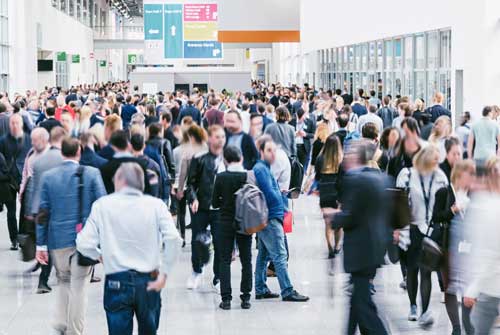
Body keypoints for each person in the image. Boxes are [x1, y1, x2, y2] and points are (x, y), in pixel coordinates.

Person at [76, 163, 182, 335]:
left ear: (120, 181)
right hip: (150, 278)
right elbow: (173, 239)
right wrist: (165, 272)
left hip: (116, 279)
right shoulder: (156, 206)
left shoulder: (102, 205)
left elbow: (83, 243)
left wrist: (99, 256)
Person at [35, 137, 106, 335]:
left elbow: (43, 213)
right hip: (84, 239)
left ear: (61, 153)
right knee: (80, 286)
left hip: (58, 240)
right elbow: (103, 206)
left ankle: (61, 320)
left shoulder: (49, 177)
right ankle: (75, 330)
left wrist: (41, 245)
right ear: (79, 152)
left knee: (64, 280)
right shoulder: (92, 174)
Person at [323, 140, 389, 335]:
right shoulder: (379, 178)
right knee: (358, 301)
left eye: (350, 153)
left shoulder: (355, 180)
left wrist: (333, 216)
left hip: (362, 251)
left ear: (356, 157)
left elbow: (351, 216)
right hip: (374, 247)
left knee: (363, 306)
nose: (346, 156)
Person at [396, 144, 448, 327]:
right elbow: (399, 205)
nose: (436, 162)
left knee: (426, 271)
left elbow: (444, 203)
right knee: (412, 269)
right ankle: (412, 306)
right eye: (433, 159)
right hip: (412, 229)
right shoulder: (407, 175)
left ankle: (425, 310)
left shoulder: (440, 177)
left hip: (431, 230)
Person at [253, 135, 309, 302]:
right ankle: (287, 290)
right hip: (270, 216)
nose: (273, 153)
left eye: (274, 150)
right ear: (261, 151)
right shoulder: (261, 169)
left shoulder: (264, 167)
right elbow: (269, 192)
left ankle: (260, 287)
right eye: (269, 150)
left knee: (264, 254)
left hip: (268, 215)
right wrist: (280, 198)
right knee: (280, 254)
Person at [432, 160, 476, 335]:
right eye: (469, 174)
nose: (472, 178)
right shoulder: (444, 192)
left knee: (468, 288)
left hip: (469, 249)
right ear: (459, 174)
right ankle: (456, 328)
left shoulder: (473, 194)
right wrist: (453, 210)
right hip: (448, 247)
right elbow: (436, 217)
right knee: (450, 287)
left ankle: (468, 326)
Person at [211, 146, 253, 310]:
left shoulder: (221, 177)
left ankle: (226, 299)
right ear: (241, 158)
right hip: (245, 221)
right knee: (246, 260)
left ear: (225, 160)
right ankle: (246, 298)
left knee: (224, 260)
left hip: (225, 221)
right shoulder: (247, 176)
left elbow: (214, 203)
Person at [186, 125, 226, 290]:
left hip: (220, 209)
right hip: (201, 207)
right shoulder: (200, 157)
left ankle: (218, 276)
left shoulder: (228, 158)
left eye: (223, 137)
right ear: (209, 139)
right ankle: (197, 270)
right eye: (217, 137)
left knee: (220, 242)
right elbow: (190, 184)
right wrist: (193, 198)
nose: (220, 140)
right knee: (197, 240)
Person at [463, 157, 500, 335]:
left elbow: (491, 252)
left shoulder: (492, 208)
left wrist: (473, 288)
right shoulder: (487, 204)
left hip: (491, 287)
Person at [0, 113, 32, 250]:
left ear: (21, 124)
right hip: (8, 179)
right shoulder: (2, 140)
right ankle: (14, 239)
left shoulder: (29, 139)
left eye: (16, 123)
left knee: (24, 209)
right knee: (11, 210)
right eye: (12, 123)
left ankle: (22, 236)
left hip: (24, 177)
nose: (14, 125)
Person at [315, 134, 343, 260]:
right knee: (338, 224)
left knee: (327, 223)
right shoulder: (342, 160)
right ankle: (337, 246)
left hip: (325, 192)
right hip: (338, 193)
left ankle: (330, 247)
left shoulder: (320, 158)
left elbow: (317, 177)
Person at [99, 130, 151, 195]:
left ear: (112, 146)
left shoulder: (106, 168)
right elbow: (147, 190)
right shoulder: (140, 164)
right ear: (128, 144)